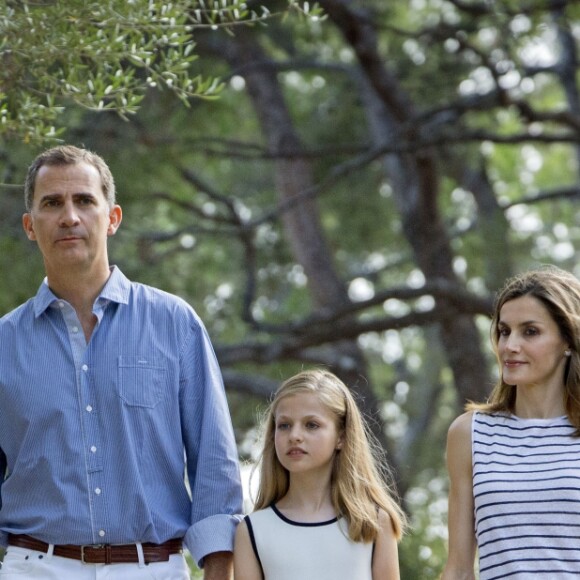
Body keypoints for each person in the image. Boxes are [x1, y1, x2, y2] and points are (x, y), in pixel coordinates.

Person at [0, 145, 243, 579]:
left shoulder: (174, 324)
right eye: (52, 203)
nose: (69, 217)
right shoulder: (5, 342)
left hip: (154, 568)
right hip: (35, 569)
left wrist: (219, 567)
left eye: (84, 201)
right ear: (30, 226)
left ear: (112, 218)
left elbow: (214, 460)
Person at [442, 265, 580, 580]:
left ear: (568, 341)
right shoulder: (469, 433)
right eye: (505, 331)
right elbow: (459, 569)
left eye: (530, 331)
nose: (509, 346)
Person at [233, 368, 406, 580]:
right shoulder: (252, 531)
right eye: (284, 425)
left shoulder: (373, 522)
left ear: (341, 436)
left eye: (311, 425)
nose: (294, 436)